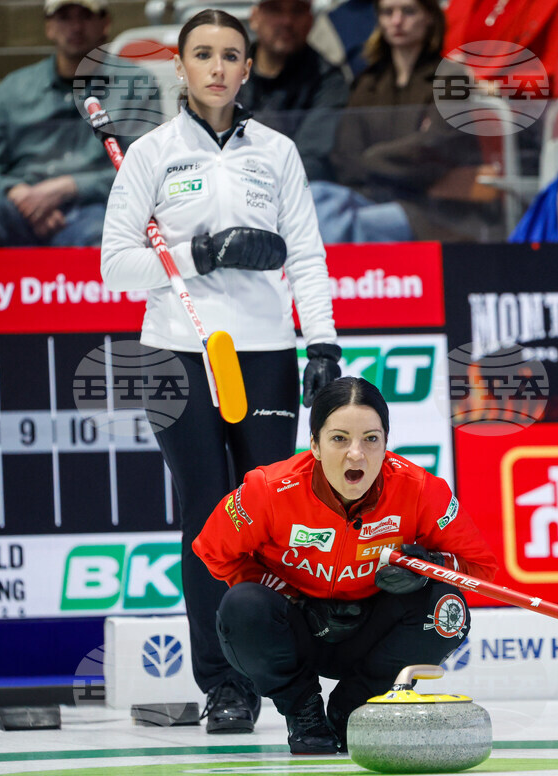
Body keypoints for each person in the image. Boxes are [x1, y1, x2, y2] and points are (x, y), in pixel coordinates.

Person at [100, 9, 343, 734]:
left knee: (268, 518)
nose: (215, 67)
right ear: (180, 66)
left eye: (229, 55)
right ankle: (222, 686)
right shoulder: (150, 153)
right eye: (200, 54)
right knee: (208, 514)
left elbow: (307, 255)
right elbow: (116, 265)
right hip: (175, 352)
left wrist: (321, 344)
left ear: (246, 67)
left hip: (265, 351)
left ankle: (284, 678)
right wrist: (197, 254)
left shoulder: (277, 152)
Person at [193, 376, 498, 754]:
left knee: (447, 609)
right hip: (298, 630)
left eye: (371, 439)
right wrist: (292, 596)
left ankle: (351, 711)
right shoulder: (268, 490)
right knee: (243, 606)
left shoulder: (420, 489)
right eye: (339, 439)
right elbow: (212, 549)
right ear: (315, 446)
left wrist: (430, 566)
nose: (357, 454)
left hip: (370, 634)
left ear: (386, 443)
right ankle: (304, 713)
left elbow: (480, 568)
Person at [318, 0, 498, 243]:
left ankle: (339, 280)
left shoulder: (452, 76)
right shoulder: (368, 81)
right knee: (318, 196)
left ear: (430, 17)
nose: (397, 21)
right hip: (373, 196)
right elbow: (345, 155)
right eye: (388, 12)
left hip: (430, 209)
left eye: (408, 11)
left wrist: (372, 158)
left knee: (357, 224)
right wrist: (396, 158)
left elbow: (437, 146)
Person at [0, 0, 161, 247]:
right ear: (49, 26)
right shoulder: (13, 89)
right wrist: (17, 194)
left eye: (85, 16)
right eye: (64, 17)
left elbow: (146, 170)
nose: (75, 27)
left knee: (111, 235)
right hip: (16, 208)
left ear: (105, 22)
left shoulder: (135, 84)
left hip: (95, 209)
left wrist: (70, 187)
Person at [241, 0, 350, 181]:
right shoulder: (229, 71)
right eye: (275, 10)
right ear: (254, 18)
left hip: (293, 194)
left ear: (310, 20)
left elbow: (311, 161)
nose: (287, 21)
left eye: (298, 11)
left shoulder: (329, 80)